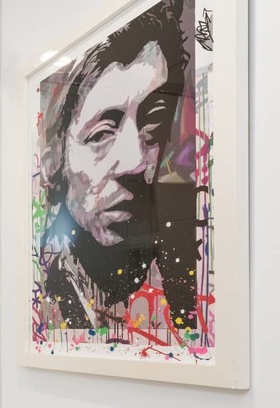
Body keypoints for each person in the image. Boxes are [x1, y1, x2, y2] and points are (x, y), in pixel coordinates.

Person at [35, 0, 202, 335]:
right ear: (54, 162)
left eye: (152, 127)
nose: (136, 161)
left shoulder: (181, 290)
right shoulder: (50, 292)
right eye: (101, 134)